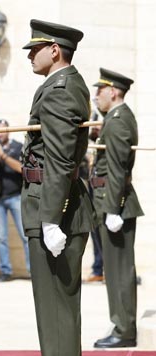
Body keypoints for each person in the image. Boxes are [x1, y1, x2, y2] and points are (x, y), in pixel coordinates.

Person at [21, 20, 94, 356]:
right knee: (56, 310)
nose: (29, 55)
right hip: (51, 205)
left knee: (56, 312)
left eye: (35, 49)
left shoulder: (60, 90)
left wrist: (49, 219)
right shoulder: (61, 86)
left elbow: (61, 160)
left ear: (55, 50)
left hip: (54, 210)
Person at [90, 68, 143, 348]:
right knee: (114, 269)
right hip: (109, 201)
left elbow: (118, 169)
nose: (96, 95)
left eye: (100, 90)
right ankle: (121, 325)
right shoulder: (113, 119)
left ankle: (124, 330)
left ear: (113, 92)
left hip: (115, 205)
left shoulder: (118, 121)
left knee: (119, 271)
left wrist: (112, 209)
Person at [0, 118, 30, 281]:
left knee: (25, 236)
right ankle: (5, 271)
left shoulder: (17, 147)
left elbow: (22, 168)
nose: (0, 134)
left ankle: (31, 270)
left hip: (15, 196)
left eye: (2, 130)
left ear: (8, 131)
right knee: (1, 237)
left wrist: (3, 156)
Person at [85, 112, 104, 283]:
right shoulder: (88, 142)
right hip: (90, 189)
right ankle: (98, 268)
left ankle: (104, 267)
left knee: (104, 231)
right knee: (95, 231)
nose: (95, 128)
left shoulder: (103, 141)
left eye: (97, 124)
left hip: (102, 192)